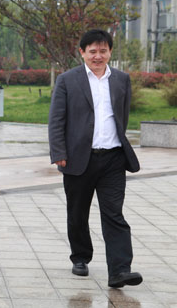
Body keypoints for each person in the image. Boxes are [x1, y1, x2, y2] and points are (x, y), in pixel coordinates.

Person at [48, 29, 142, 289]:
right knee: (77, 213)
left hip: (113, 158)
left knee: (114, 214)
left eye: (103, 51)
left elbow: (122, 117)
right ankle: (80, 256)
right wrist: (59, 153)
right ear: (82, 52)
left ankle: (120, 270)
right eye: (92, 51)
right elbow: (56, 120)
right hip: (79, 158)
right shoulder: (68, 80)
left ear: (110, 52)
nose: (98, 56)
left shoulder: (121, 79)